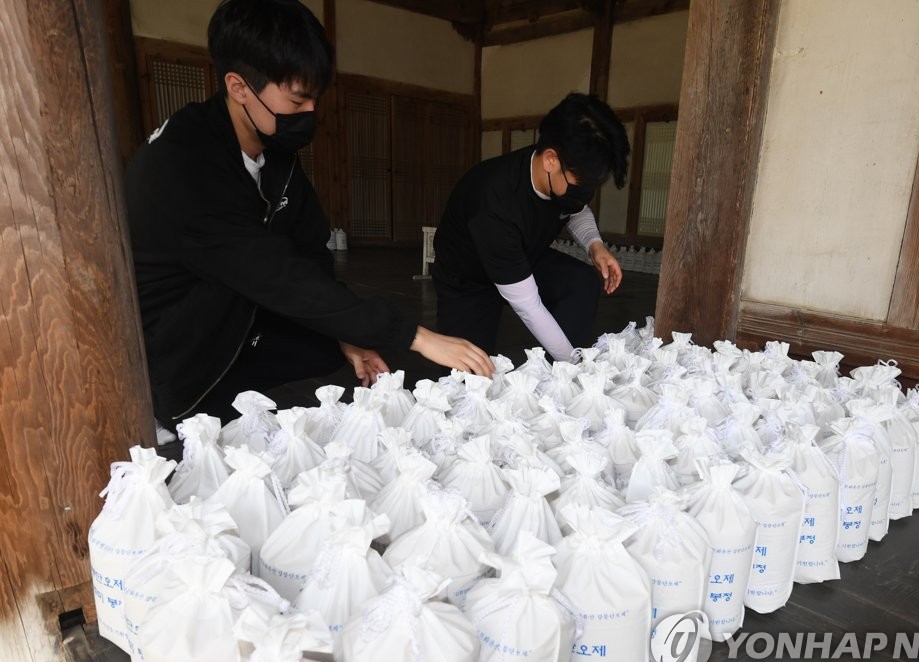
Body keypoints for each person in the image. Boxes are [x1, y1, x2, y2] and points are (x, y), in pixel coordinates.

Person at [126, 0, 493, 430]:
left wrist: (348, 333)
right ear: (239, 86)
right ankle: (179, 420)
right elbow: (277, 275)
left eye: (315, 99)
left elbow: (309, 252)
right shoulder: (185, 165)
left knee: (329, 335)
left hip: (239, 307)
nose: (310, 115)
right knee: (214, 441)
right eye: (298, 100)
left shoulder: (274, 150)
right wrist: (418, 336)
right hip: (180, 341)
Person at [430, 92, 630, 362]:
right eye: (581, 183)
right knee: (468, 377)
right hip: (468, 277)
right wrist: (575, 363)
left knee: (579, 282)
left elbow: (576, 209)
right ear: (551, 160)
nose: (585, 192)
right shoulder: (495, 205)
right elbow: (528, 306)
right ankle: (566, 367)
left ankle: (554, 380)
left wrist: (595, 246)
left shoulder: (559, 174)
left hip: (522, 253)